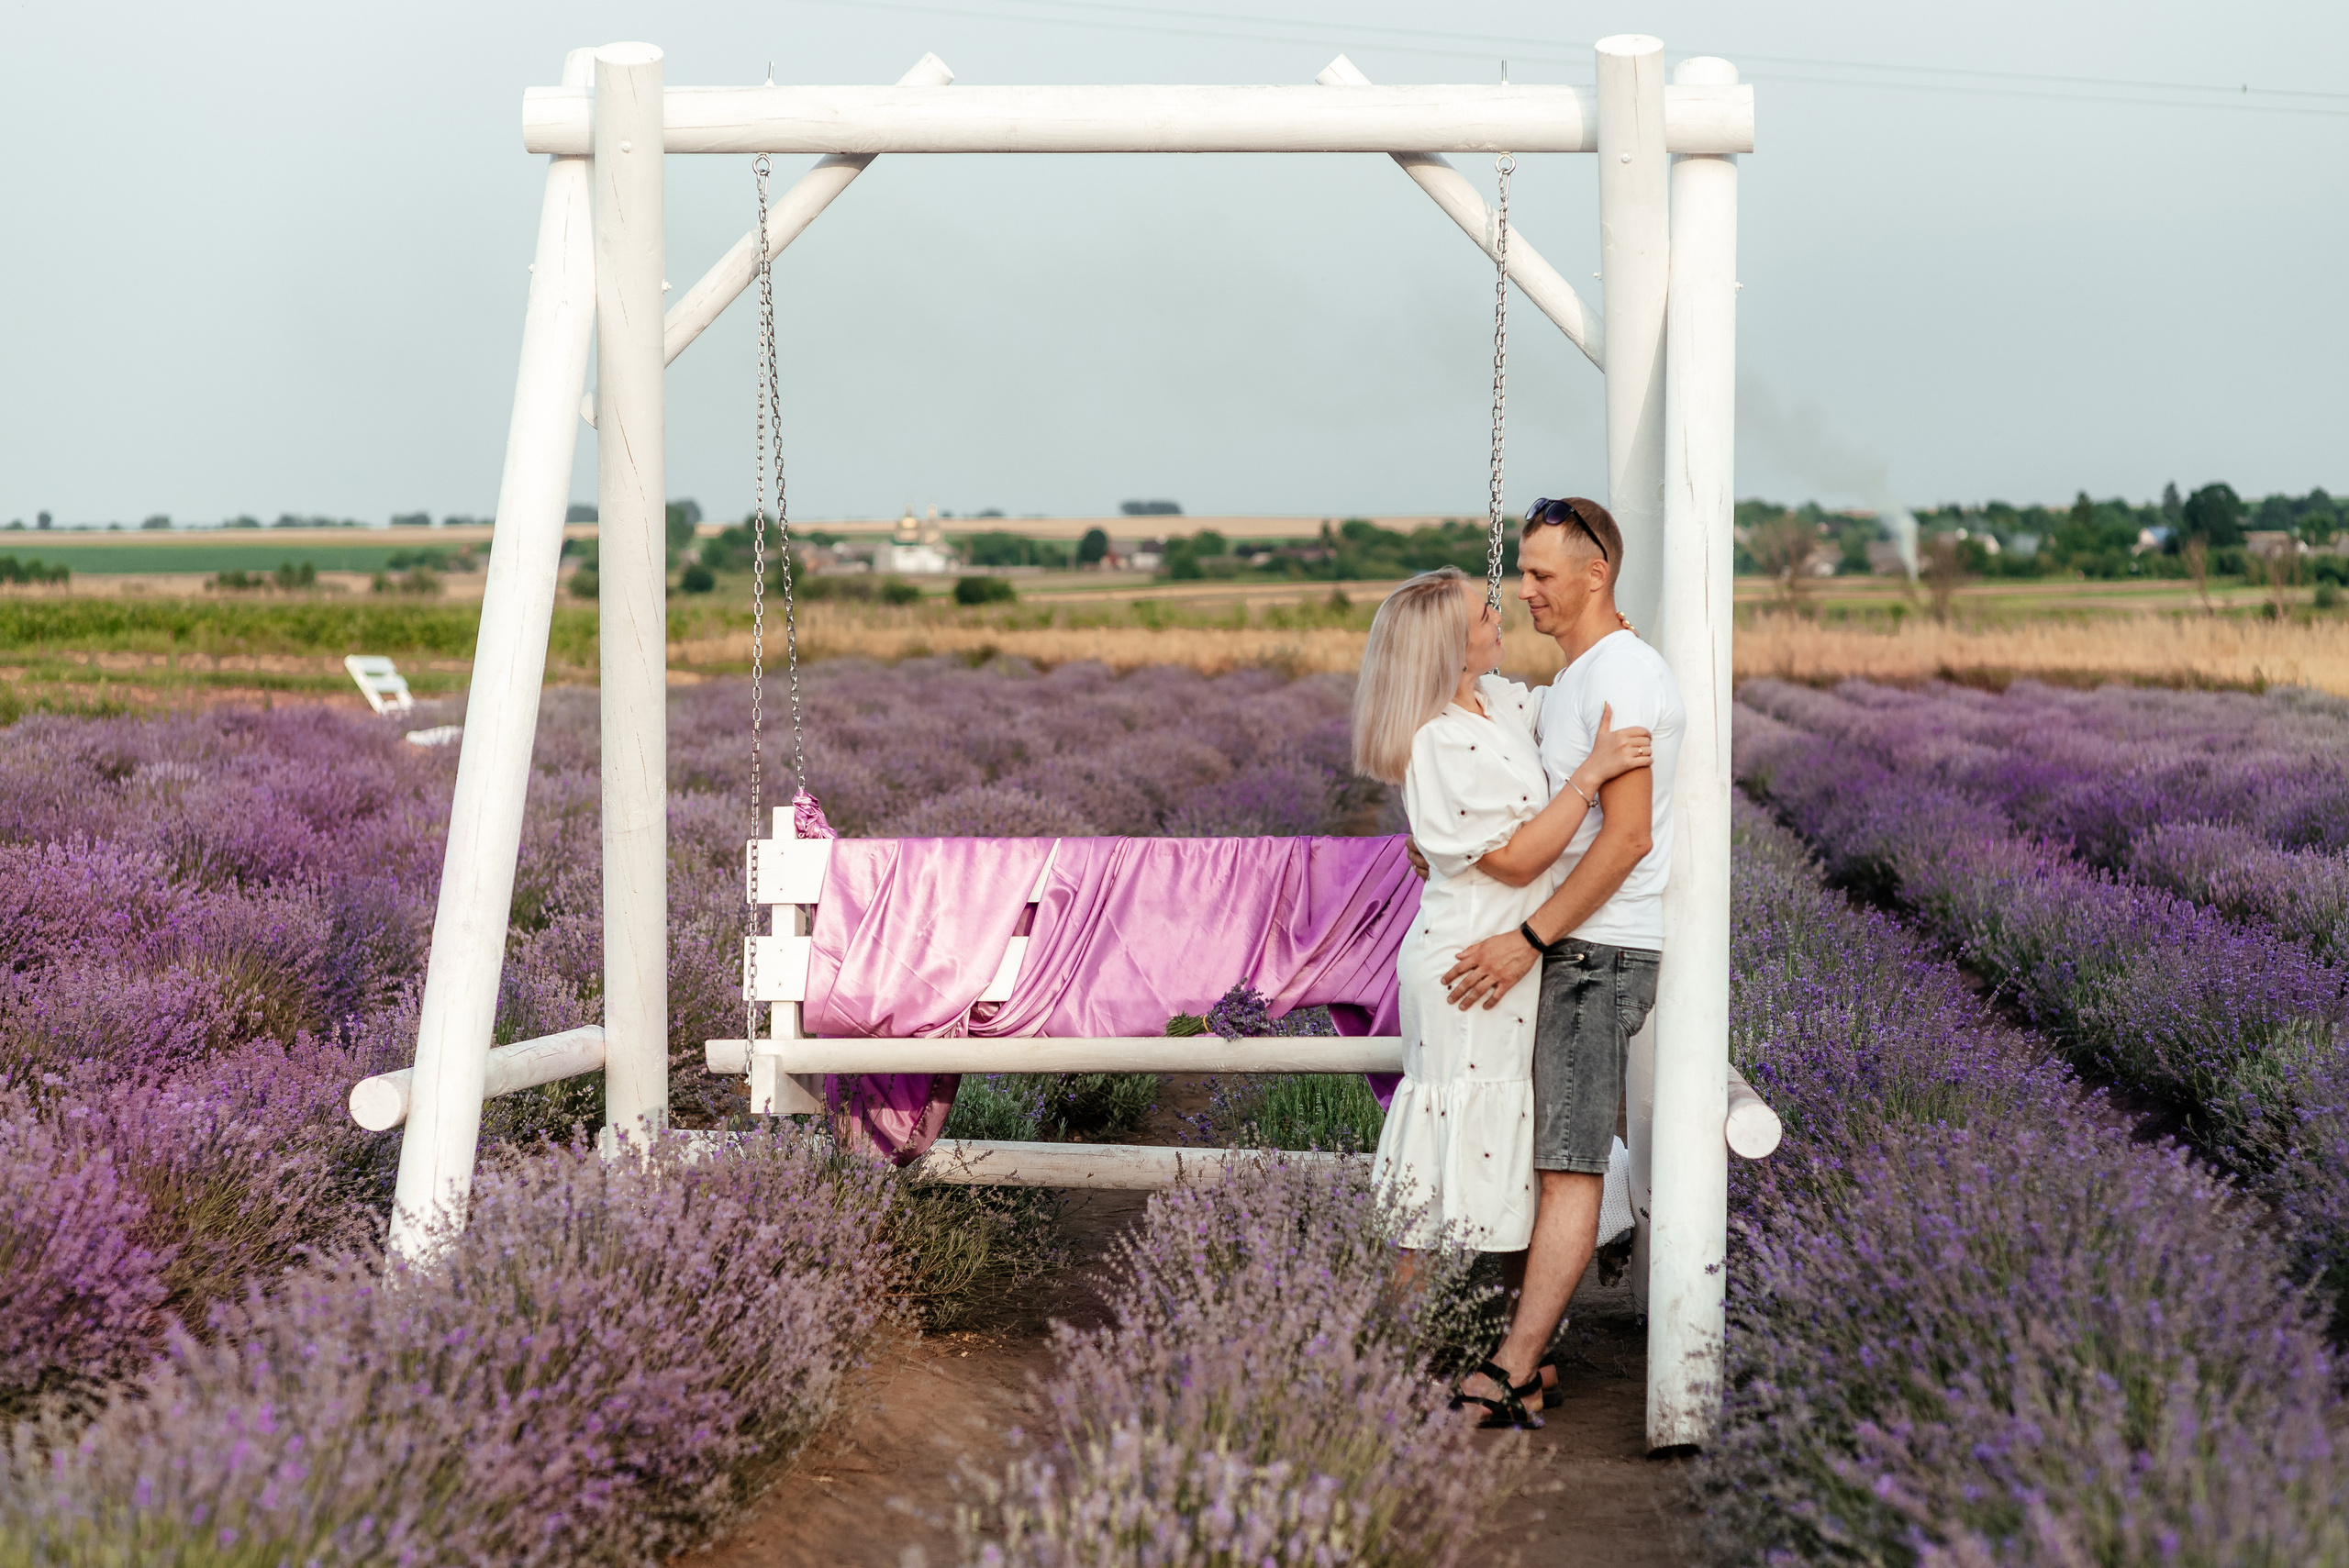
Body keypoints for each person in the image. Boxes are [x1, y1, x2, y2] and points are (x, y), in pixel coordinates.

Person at [1350, 564, 1653, 1429]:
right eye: (1482, 610)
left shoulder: (1496, 703)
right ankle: (1378, 1360)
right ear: (1450, 644)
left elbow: (1561, 705)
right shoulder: (1437, 739)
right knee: (1445, 1153)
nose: (1499, 609)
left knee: (1513, 1145)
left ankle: (1529, 1353)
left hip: (1514, 958)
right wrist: (1592, 775)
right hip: (1473, 965)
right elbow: (1517, 860)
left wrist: (1607, 632)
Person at [1440, 496, 1687, 1429]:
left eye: (1542, 574)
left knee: (1569, 1165)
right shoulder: (1586, 673)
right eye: (1524, 573)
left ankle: (1510, 1369)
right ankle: (1531, 1356)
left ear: (1596, 573)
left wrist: (1530, 938)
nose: (1526, 590)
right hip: (1575, 945)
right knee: (1540, 1154)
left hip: (1595, 948)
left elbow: (1624, 839)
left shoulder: (1620, 674)